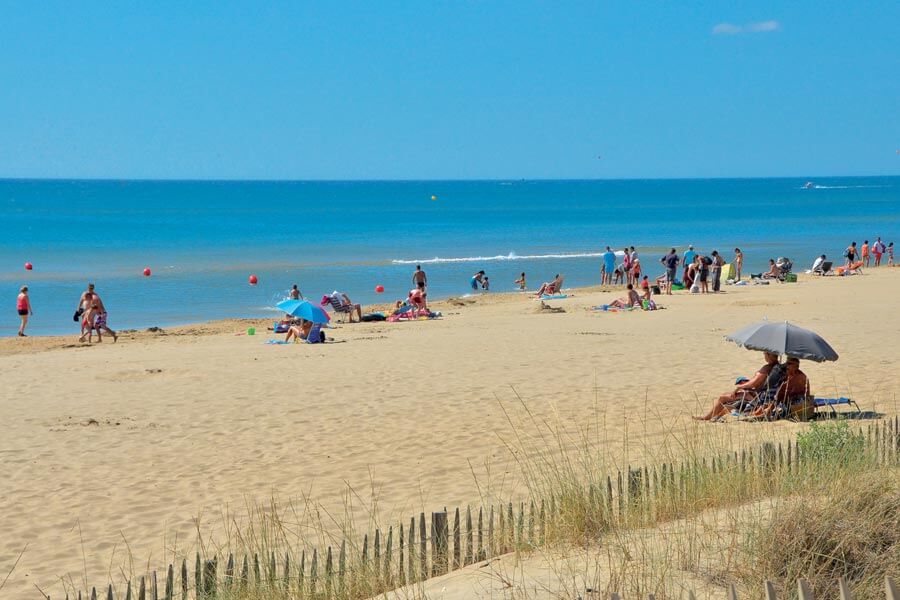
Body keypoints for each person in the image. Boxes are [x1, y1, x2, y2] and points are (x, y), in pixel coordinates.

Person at [693, 352, 780, 421]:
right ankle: (716, 416)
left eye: (764, 354)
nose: (764, 356)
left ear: (769, 355)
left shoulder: (767, 368)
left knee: (722, 397)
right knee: (727, 395)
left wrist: (739, 387)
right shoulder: (778, 367)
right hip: (759, 394)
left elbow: (753, 384)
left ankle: (706, 417)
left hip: (755, 396)